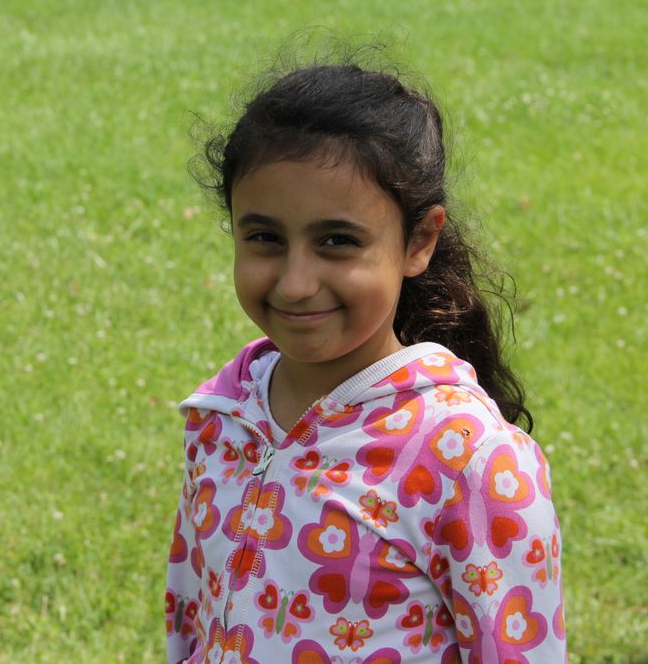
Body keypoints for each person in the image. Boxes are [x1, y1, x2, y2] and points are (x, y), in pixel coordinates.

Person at [165, 55, 566, 663]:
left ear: (420, 241)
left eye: (338, 241)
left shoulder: (469, 460)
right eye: (265, 238)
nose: (296, 283)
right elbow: (191, 622)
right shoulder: (223, 417)